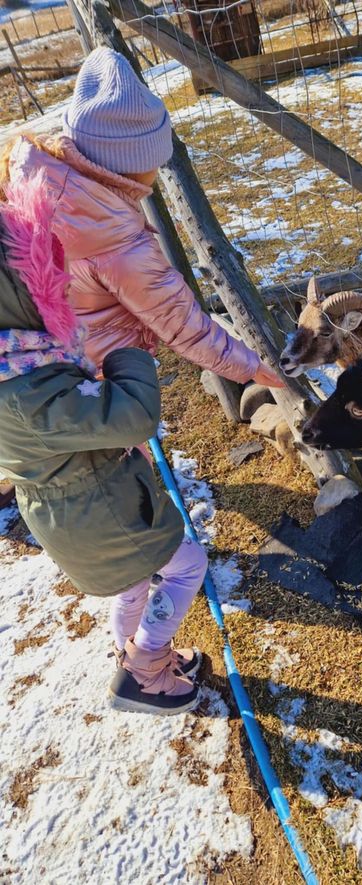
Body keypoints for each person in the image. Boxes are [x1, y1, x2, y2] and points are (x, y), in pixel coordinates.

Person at [0, 171, 209, 716]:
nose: (62, 286)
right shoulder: (22, 390)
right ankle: (144, 670)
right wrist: (128, 351)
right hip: (97, 512)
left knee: (134, 583)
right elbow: (133, 415)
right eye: (45, 280)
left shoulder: (18, 361)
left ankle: (132, 652)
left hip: (82, 508)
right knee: (187, 567)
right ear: (19, 294)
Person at [1, 46, 282, 390]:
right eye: (155, 162)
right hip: (105, 371)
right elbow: (176, 318)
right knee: (127, 435)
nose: (157, 171)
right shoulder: (113, 234)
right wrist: (248, 366)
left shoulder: (41, 177)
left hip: (54, 361)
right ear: (130, 164)